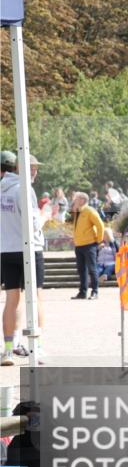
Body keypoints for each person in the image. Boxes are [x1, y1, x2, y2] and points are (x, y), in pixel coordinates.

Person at [0, 152, 48, 365]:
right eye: (32, 168)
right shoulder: (24, 189)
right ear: (21, 168)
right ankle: (37, 348)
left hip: (7, 249)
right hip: (29, 248)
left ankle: (9, 349)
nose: (35, 172)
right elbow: (34, 225)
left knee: (12, 299)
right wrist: (46, 215)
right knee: (36, 297)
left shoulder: (2, 189)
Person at [69, 191, 104, 300]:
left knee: (92, 269)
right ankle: (82, 292)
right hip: (79, 245)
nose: (74, 200)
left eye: (76, 198)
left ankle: (95, 292)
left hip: (89, 244)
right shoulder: (78, 211)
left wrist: (99, 240)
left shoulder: (90, 211)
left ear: (82, 200)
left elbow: (100, 225)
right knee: (81, 270)